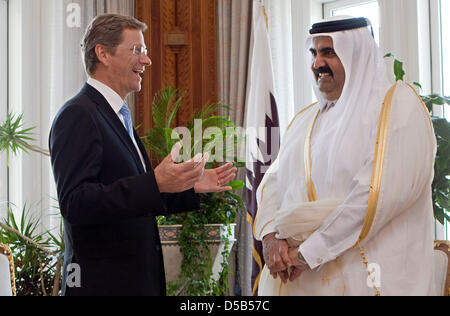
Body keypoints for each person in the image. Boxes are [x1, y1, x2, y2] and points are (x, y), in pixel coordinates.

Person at [49, 14, 236, 296]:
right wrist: (155, 183)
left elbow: (133, 197)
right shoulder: (79, 114)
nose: (146, 60)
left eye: (145, 52)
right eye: (137, 50)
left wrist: (188, 186)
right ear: (103, 53)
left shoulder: (117, 116)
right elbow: (76, 203)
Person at [254, 16, 437, 296]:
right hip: (301, 278)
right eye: (314, 53)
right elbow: (274, 184)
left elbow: (373, 198)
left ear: (357, 55)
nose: (317, 63)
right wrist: (269, 237)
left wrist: (308, 253)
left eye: (329, 52)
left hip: (369, 279)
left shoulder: (396, 109)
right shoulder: (306, 120)